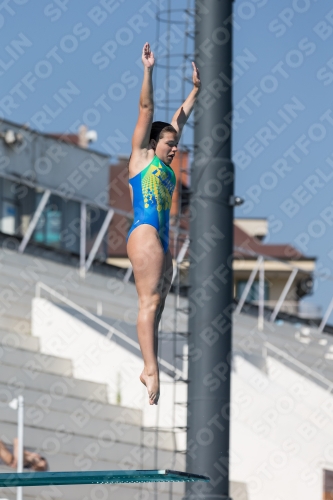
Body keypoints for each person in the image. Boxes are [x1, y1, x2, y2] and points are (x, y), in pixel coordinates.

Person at [127, 42, 201, 405]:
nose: (174, 150)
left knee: (156, 310)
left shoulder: (167, 163)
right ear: (152, 143)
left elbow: (180, 118)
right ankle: (150, 368)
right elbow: (147, 109)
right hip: (144, 233)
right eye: (169, 145)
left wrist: (196, 91)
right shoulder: (142, 158)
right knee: (148, 302)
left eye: (176, 146)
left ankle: (149, 365)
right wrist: (148, 70)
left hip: (161, 239)